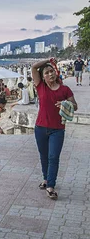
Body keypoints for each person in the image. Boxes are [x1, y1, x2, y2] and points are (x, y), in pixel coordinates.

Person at [32, 58, 77, 200]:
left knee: (53, 157)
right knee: (44, 156)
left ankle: (50, 186)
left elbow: (75, 105)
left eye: (52, 71)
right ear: (43, 77)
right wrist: (48, 60)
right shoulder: (41, 87)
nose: (50, 74)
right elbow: (34, 67)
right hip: (40, 128)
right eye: (47, 73)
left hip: (57, 129)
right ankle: (46, 179)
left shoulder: (65, 89)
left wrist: (65, 103)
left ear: (56, 72)